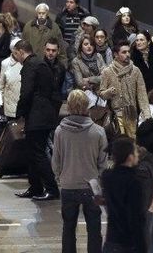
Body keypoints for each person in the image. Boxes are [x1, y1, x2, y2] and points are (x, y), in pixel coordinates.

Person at [52, 90, 107, 253]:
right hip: (92, 187)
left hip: (68, 185)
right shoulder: (98, 131)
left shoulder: (60, 131)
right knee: (94, 228)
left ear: (68, 106)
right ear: (87, 106)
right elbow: (102, 162)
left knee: (68, 228)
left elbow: (56, 160)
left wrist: (59, 178)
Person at [13, 39, 60, 201]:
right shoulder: (41, 63)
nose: (16, 58)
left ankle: (52, 189)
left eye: (15, 54)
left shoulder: (30, 65)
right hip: (44, 114)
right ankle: (36, 187)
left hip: (37, 116)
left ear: (20, 51)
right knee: (32, 153)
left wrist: (19, 114)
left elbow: (26, 93)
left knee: (38, 153)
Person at [102, 137, 146, 253]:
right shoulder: (134, 181)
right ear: (130, 157)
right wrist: (142, 246)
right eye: (136, 151)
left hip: (111, 239)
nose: (138, 155)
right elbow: (135, 216)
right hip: (128, 242)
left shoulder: (107, 177)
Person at [99, 41, 151, 139]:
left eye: (128, 52)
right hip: (116, 114)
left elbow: (142, 94)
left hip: (132, 114)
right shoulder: (107, 72)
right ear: (115, 54)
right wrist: (109, 92)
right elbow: (101, 94)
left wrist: (147, 115)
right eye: (124, 52)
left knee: (133, 142)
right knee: (120, 143)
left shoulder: (135, 71)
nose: (127, 54)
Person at [0, 37, 22, 120]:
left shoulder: (27, 62)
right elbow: (1, 85)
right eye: (15, 48)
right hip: (10, 106)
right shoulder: (5, 63)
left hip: (24, 105)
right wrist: (0, 101)